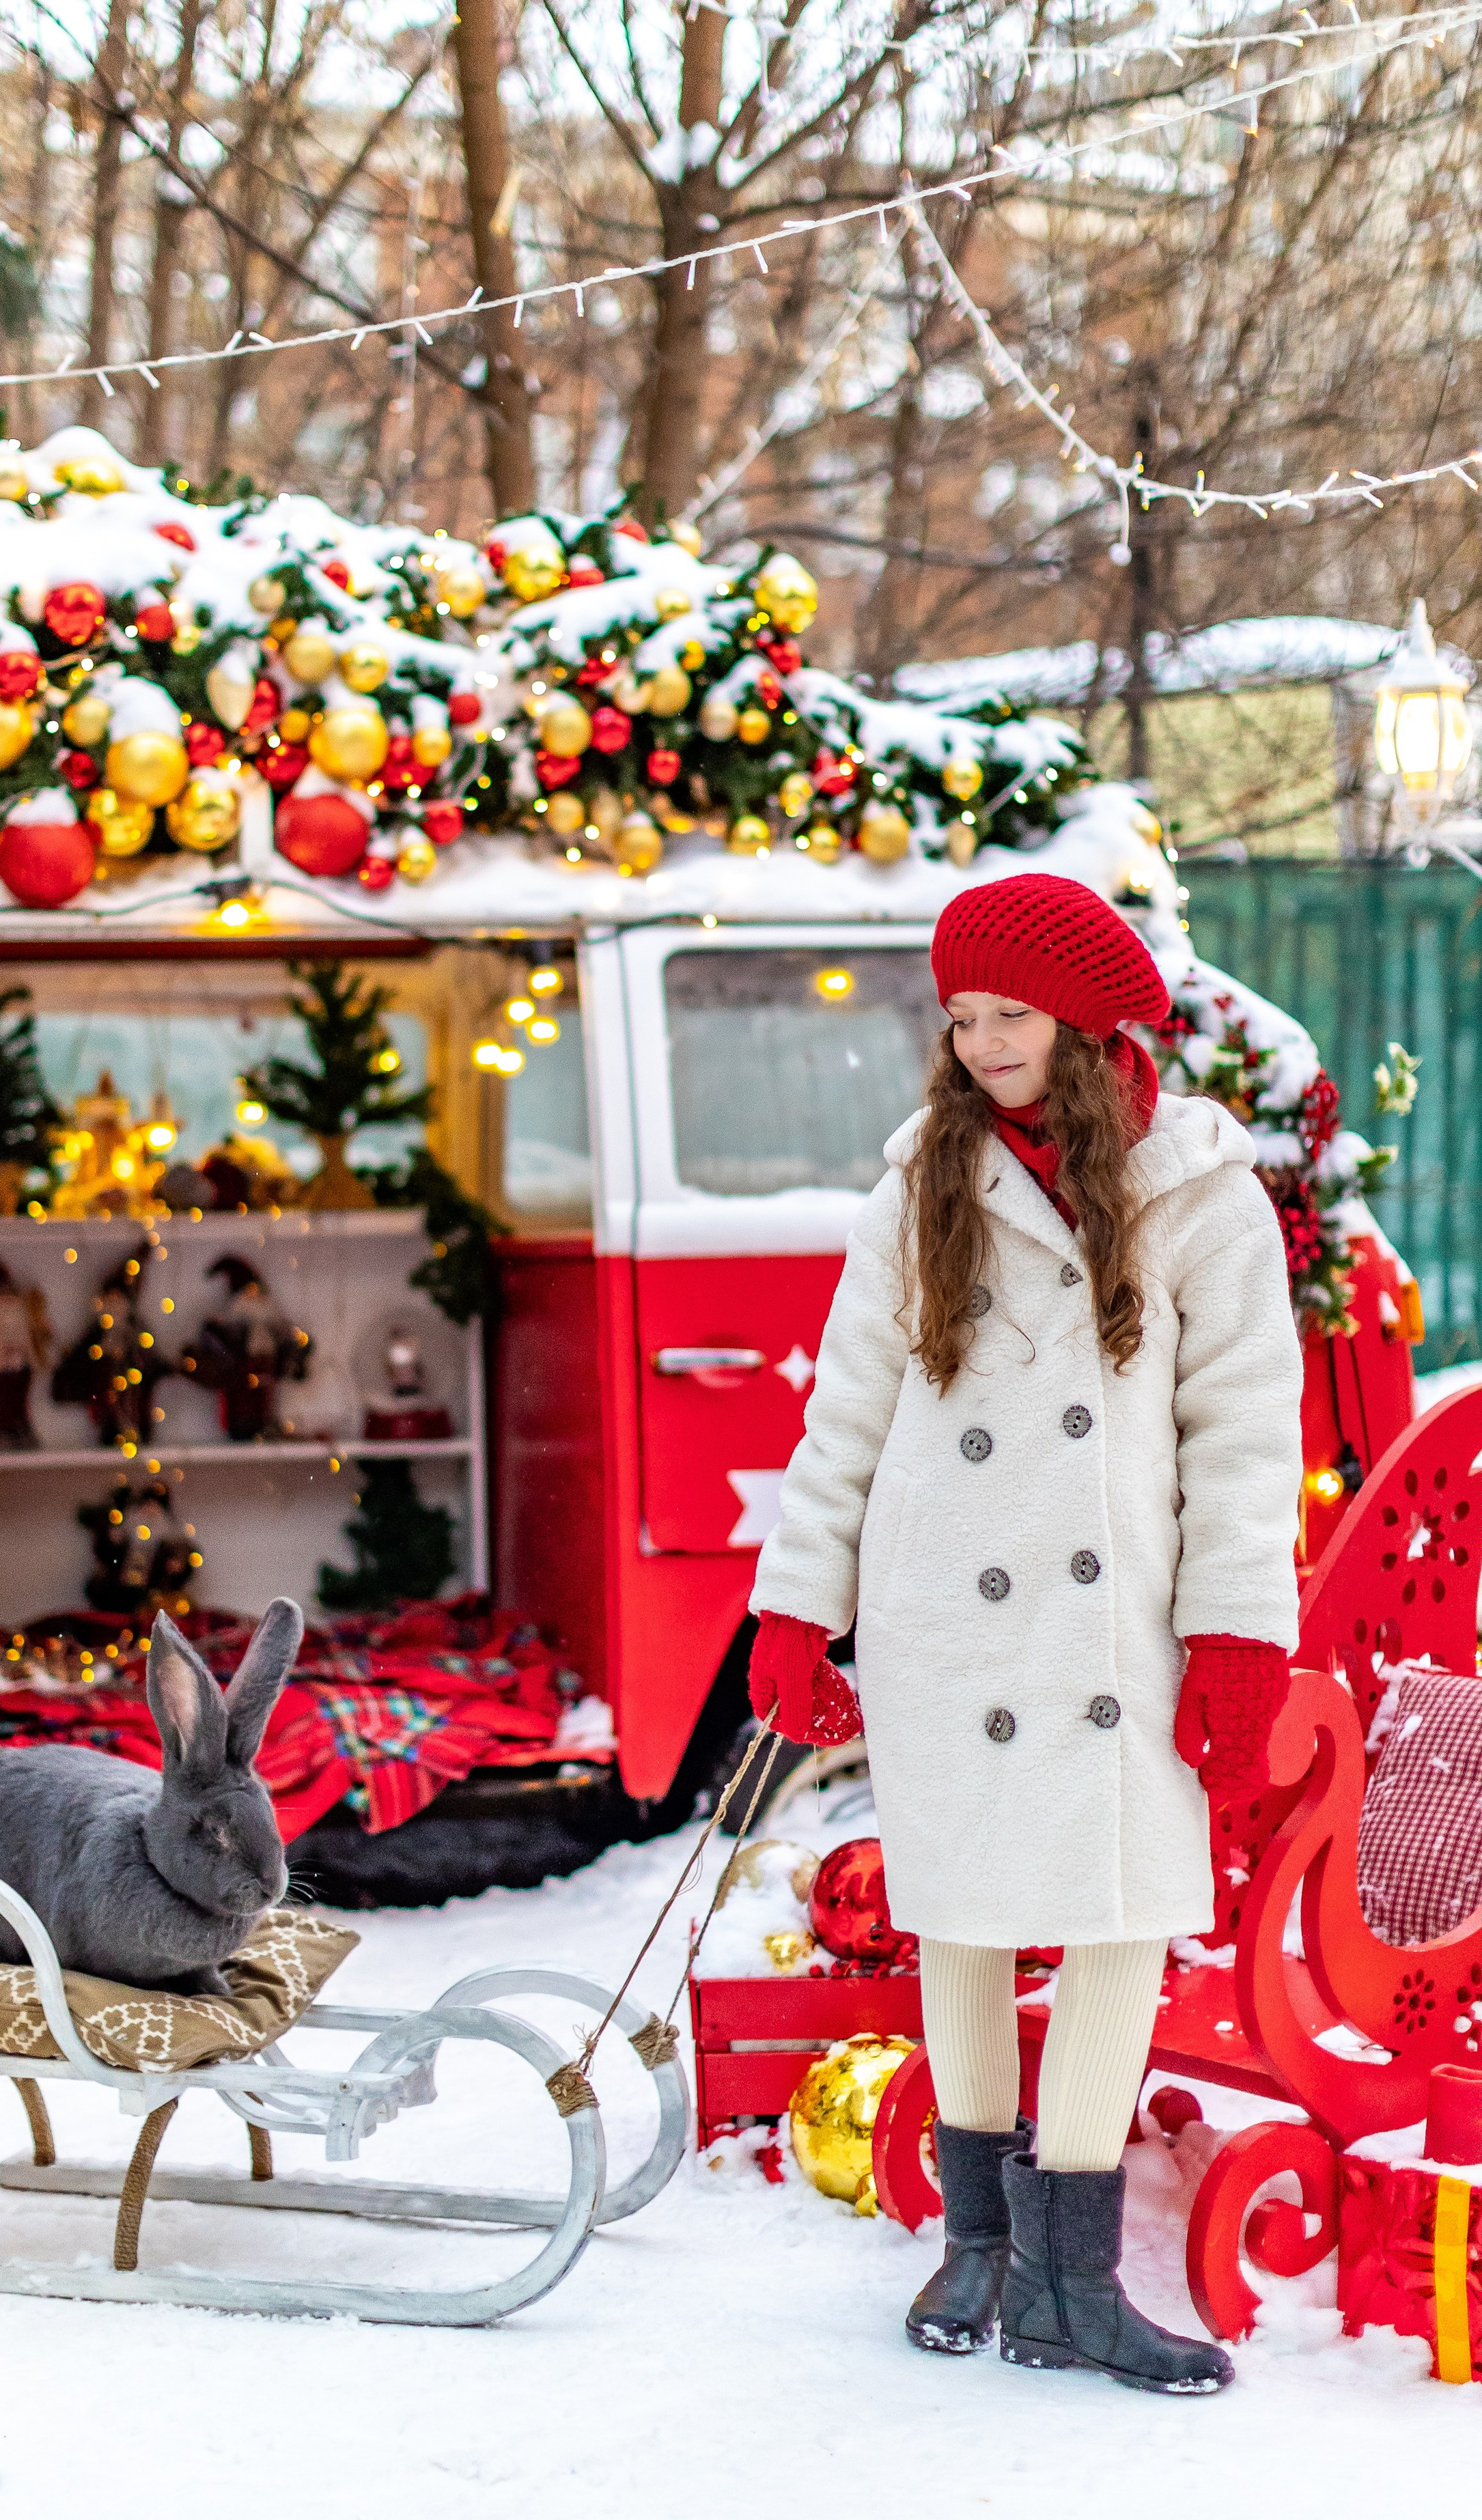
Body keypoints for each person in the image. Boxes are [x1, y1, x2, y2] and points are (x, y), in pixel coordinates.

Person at [747, 872, 1302, 2396]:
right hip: (946, 1615)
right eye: (961, 1017)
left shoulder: (1201, 1192)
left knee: (1121, 1919)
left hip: (1116, 1631)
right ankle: (980, 2250)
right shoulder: (917, 1184)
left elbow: (1243, 1436)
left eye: (1011, 1012)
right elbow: (847, 1411)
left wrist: (1237, 1634)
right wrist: (797, 1603)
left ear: (1088, 1020)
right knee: (964, 1918)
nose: (982, 1041)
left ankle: (1073, 2283)